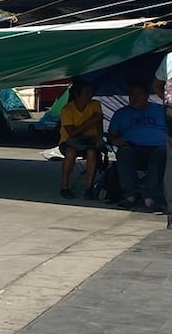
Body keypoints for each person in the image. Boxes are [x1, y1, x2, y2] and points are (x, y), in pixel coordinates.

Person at [108, 80, 167, 211]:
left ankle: (149, 196)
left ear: (146, 95)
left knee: (162, 154)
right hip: (132, 147)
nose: (134, 97)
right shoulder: (121, 113)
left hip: (157, 148)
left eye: (138, 94)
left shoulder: (160, 110)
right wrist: (115, 140)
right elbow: (111, 135)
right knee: (124, 153)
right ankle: (131, 194)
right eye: (131, 94)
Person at [58, 78, 103, 199]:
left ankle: (89, 187)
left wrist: (99, 137)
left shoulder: (95, 104)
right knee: (71, 152)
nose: (89, 96)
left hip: (89, 140)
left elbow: (99, 121)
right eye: (86, 93)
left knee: (92, 153)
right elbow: (72, 133)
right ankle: (64, 186)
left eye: (90, 93)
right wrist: (89, 122)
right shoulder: (67, 109)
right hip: (69, 141)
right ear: (77, 95)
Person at [152, 54, 172, 229]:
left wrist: (166, 102)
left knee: (171, 164)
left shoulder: (169, 57)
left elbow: (156, 85)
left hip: (170, 111)